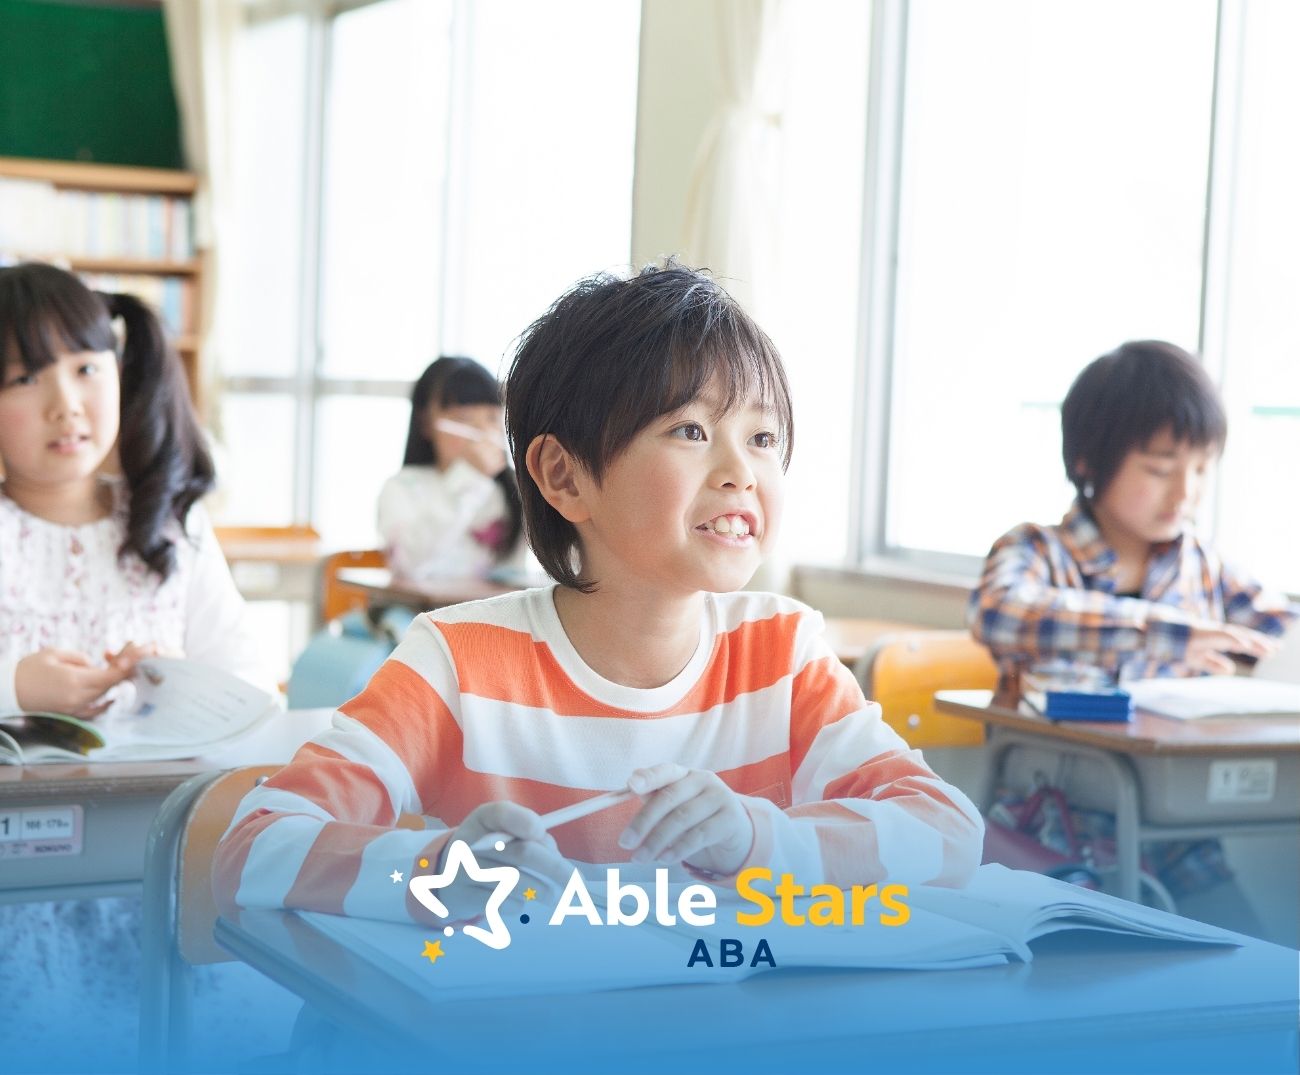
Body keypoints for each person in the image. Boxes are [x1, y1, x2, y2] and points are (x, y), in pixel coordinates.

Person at [215, 262, 983, 935]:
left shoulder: (780, 651)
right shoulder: (458, 663)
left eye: (762, 437)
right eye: (690, 430)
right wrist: (438, 870)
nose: (741, 472)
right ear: (564, 476)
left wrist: (759, 839)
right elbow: (252, 846)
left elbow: (947, 829)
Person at [0, 261, 268, 712]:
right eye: (25, 378)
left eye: (86, 369)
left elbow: (256, 692)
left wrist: (190, 686)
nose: (66, 406)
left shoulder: (171, 520)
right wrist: (13, 689)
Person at [970, 339, 1296, 690]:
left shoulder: (1202, 564)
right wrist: (1159, 632)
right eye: (1160, 470)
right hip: (1053, 729)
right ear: (1088, 462)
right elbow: (997, 613)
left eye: (1202, 469)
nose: (1185, 493)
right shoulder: (1037, 549)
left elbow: (1284, 631)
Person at [376, 355, 525, 581]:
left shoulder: (514, 491)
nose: (482, 430)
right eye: (464, 418)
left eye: (491, 418)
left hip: (494, 604)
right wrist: (470, 476)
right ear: (426, 423)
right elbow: (409, 565)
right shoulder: (402, 488)